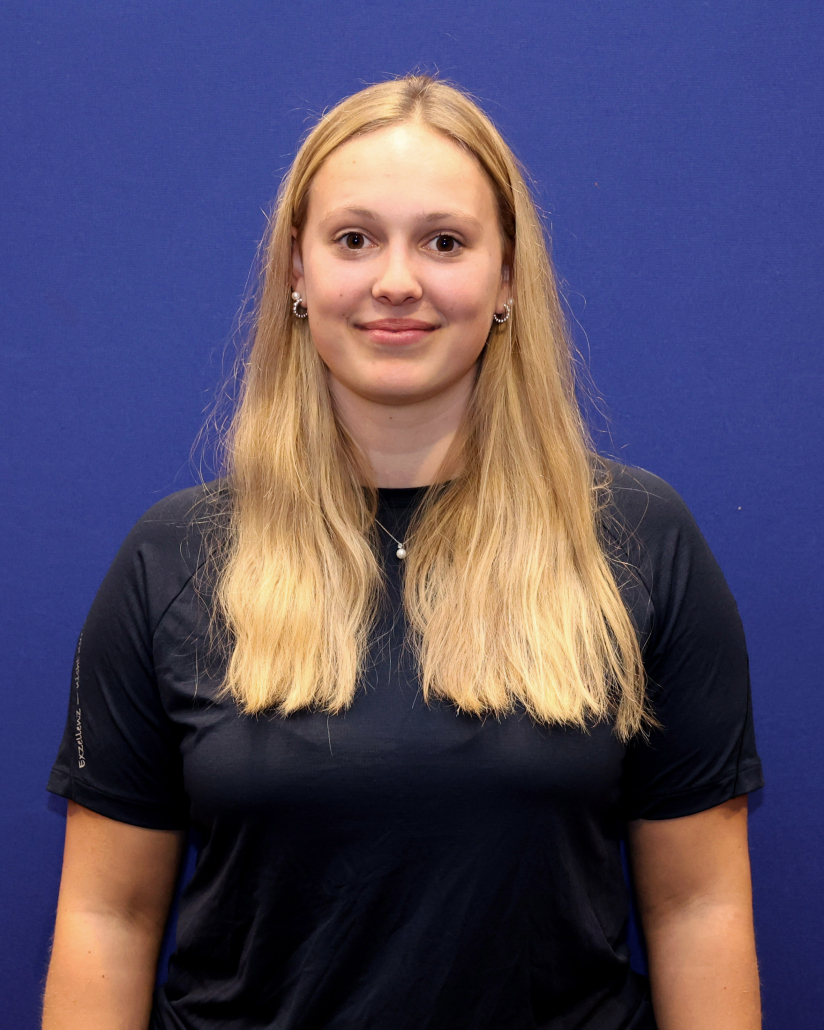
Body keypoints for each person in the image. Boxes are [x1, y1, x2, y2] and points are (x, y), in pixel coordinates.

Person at [42, 75, 764, 1030]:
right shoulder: (172, 562)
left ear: (508, 279)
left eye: (444, 242)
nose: (395, 281)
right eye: (354, 239)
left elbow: (697, 905)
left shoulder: (634, 542)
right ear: (296, 273)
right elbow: (108, 916)